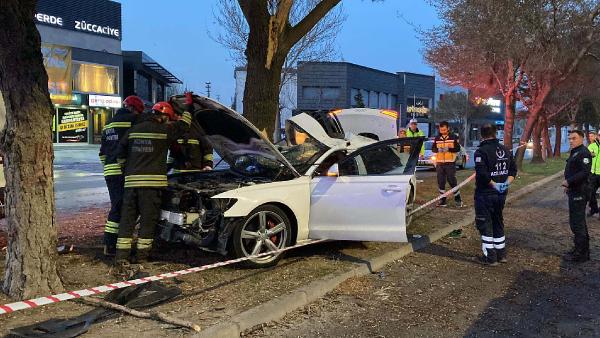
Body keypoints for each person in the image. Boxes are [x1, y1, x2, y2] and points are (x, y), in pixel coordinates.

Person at [115, 93, 194, 264]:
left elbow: (119, 154)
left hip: (131, 184)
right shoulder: (164, 130)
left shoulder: (133, 130)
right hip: (151, 186)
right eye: (169, 118)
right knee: (147, 220)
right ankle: (142, 256)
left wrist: (126, 170)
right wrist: (188, 105)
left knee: (127, 219)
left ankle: (121, 257)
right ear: (164, 116)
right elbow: (184, 124)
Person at [98, 95, 144, 257]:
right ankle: (111, 244)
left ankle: (111, 243)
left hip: (110, 171)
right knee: (121, 207)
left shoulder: (108, 124)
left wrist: (109, 167)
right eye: (138, 111)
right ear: (133, 109)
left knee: (117, 205)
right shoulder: (132, 120)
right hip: (123, 170)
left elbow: (102, 153)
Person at [474, 124, 517, 266]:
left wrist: (494, 184)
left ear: (482, 135)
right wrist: (504, 185)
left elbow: (482, 174)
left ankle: (490, 257)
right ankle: (501, 254)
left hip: (485, 194)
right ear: (495, 133)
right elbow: (513, 170)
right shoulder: (505, 150)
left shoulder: (481, 152)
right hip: (501, 194)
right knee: (498, 221)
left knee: (485, 223)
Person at [563, 130, 592, 263]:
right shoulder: (575, 151)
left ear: (581, 138)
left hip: (580, 192)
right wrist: (569, 185)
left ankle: (582, 254)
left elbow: (584, 172)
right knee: (576, 222)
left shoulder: (584, 153)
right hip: (574, 191)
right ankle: (579, 249)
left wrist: (569, 181)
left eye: (573, 138)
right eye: (569, 138)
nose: (571, 141)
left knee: (577, 223)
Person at [432, 121, 463, 207]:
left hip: (450, 163)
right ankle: (442, 200)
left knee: (452, 181)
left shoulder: (453, 137)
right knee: (441, 182)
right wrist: (438, 150)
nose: (442, 131)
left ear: (448, 128)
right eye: (441, 130)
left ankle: (458, 199)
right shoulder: (437, 138)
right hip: (440, 163)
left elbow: (457, 148)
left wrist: (449, 149)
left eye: (444, 129)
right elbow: (433, 148)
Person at [587, 131, 600, 217]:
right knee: (590, 192)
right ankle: (594, 208)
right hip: (593, 174)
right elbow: (588, 157)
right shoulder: (591, 146)